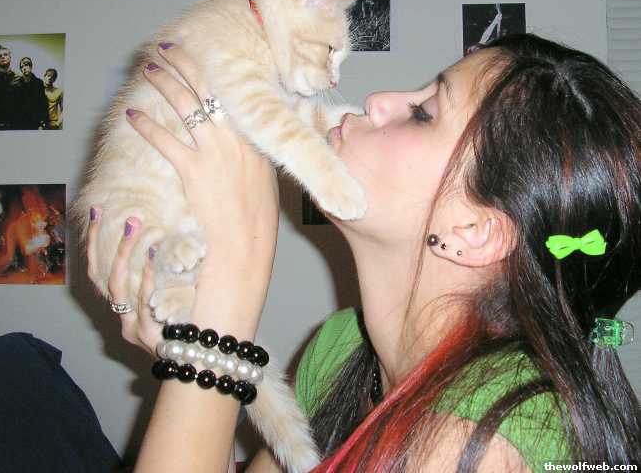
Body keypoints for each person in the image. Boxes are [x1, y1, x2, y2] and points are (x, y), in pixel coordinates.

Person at [86, 36, 641, 471]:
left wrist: (234, 277)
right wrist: (195, 349)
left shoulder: (489, 443)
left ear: (473, 230)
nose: (379, 101)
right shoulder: (341, 348)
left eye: (424, 112)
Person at [15, 57, 49, 130]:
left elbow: (43, 104)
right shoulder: (17, 84)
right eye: (22, 67)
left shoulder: (39, 83)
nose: (24, 68)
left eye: (26, 65)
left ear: (31, 66)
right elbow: (15, 106)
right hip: (20, 123)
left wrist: (42, 123)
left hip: (35, 123)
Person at [0, 45, 17, 129]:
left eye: (5, 54)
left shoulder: (19, 79)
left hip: (15, 125)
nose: (3, 57)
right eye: (0, 56)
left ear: (10, 57)